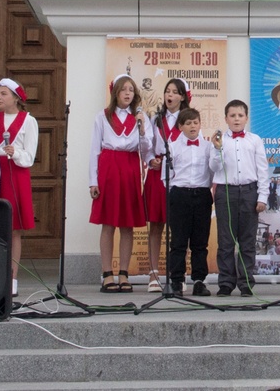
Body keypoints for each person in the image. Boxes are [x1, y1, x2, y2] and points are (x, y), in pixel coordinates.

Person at [89, 74, 152, 293]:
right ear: (115, 92)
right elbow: (95, 150)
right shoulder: (103, 117)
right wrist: (92, 181)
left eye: (131, 90)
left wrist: (143, 130)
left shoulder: (140, 117)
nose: (127, 93)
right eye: (123, 89)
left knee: (127, 224)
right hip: (109, 167)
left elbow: (146, 149)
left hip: (130, 167)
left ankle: (124, 273)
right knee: (108, 223)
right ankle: (107, 273)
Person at [209, 99, 269, 296]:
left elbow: (262, 170)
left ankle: (246, 282)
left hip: (249, 191)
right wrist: (217, 149)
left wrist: (262, 197)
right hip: (226, 191)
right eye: (232, 116)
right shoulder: (219, 140)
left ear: (246, 118)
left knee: (247, 239)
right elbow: (214, 168)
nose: (236, 119)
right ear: (226, 118)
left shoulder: (255, 140)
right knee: (226, 239)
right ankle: (226, 282)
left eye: (240, 115)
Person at [0, 78, 37, 297]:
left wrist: (15, 153)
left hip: (16, 174)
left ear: (16, 97)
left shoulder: (28, 121)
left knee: (14, 228)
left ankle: (13, 277)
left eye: (4, 93)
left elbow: (30, 155)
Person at [144, 77, 190, 293]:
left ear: (183, 96)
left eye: (174, 92)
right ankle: (153, 273)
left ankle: (177, 274)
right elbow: (147, 146)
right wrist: (150, 159)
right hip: (157, 174)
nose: (169, 95)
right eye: (167, 91)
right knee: (156, 225)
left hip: (179, 175)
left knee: (179, 227)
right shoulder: (155, 120)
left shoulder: (188, 119)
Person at [163, 106, 213, 297]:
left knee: (200, 242)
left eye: (196, 122)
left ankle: (199, 281)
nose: (193, 126)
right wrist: (174, 195)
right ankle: (176, 280)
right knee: (178, 241)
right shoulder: (172, 146)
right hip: (180, 194)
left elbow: (212, 171)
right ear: (180, 126)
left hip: (201, 194)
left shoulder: (208, 147)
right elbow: (165, 176)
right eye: (188, 123)